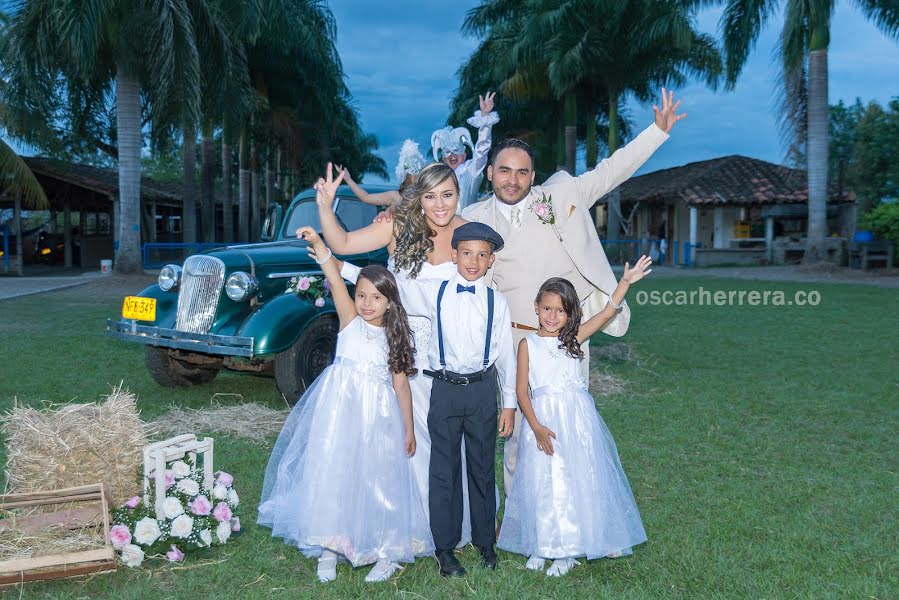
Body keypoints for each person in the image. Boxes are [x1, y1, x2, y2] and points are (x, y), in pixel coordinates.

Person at [460, 87, 686, 498]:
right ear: (490, 172)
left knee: (571, 429)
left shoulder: (560, 196)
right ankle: (519, 517)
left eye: (523, 172)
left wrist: (657, 131)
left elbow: (610, 171)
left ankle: (577, 514)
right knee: (515, 435)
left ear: (533, 175)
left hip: (566, 338)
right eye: (505, 171)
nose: (513, 179)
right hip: (510, 342)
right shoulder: (472, 219)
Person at [314, 161, 483, 547]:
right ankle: (392, 524)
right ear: (417, 197)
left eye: (448, 194)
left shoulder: (469, 234)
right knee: (391, 441)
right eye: (430, 196)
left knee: (442, 442)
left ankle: (440, 524)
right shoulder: (398, 225)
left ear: (459, 194)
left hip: (449, 359)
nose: (440, 205)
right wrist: (326, 204)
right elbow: (341, 244)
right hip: (398, 356)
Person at [257, 226, 432, 584]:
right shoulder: (349, 322)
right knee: (335, 471)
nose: (367, 303)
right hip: (340, 412)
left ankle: (386, 549)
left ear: (390, 303)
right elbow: (335, 279)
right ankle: (330, 545)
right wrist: (320, 245)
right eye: (362, 295)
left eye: (376, 298)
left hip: (378, 418)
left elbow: (401, 387)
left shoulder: (394, 339)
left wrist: (409, 428)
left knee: (376, 477)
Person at [498, 261, 652, 577]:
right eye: (547, 309)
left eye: (561, 311)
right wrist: (537, 427)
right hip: (542, 424)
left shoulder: (574, 339)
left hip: (576, 423)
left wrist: (625, 283)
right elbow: (522, 392)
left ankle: (566, 550)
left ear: (570, 315)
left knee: (572, 481)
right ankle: (542, 544)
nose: (553, 316)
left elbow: (607, 312)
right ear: (536, 307)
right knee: (543, 484)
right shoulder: (528, 345)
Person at [392, 222, 516, 577]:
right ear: (454, 255)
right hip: (443, 390)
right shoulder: (435, 292)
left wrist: (508, 402)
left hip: (481, 390)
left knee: (481, 467)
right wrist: (338, 265)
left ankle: (485, 542)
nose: (473, 261)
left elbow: (505, 354)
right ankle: (444, 549)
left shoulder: (498, 301)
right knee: (443, 471)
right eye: (466, 253)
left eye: (481, 255)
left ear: (491, 260)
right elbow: (395, 288)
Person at [431, 91, 499, 209]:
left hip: (467, 225)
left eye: (457, 150)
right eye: (448, 152)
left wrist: (484, 119)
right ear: (443, 159)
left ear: (464, 155)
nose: (452, 155)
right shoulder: (437, 179)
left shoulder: (471, 170)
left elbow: (482, 150)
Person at [337, 139, 426, 207]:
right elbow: (366, 197)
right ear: (405, 175)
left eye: (417, 171)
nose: (414, 175)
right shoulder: (396, 197)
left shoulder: (429, 196)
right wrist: (348, 180)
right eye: (411, 173)